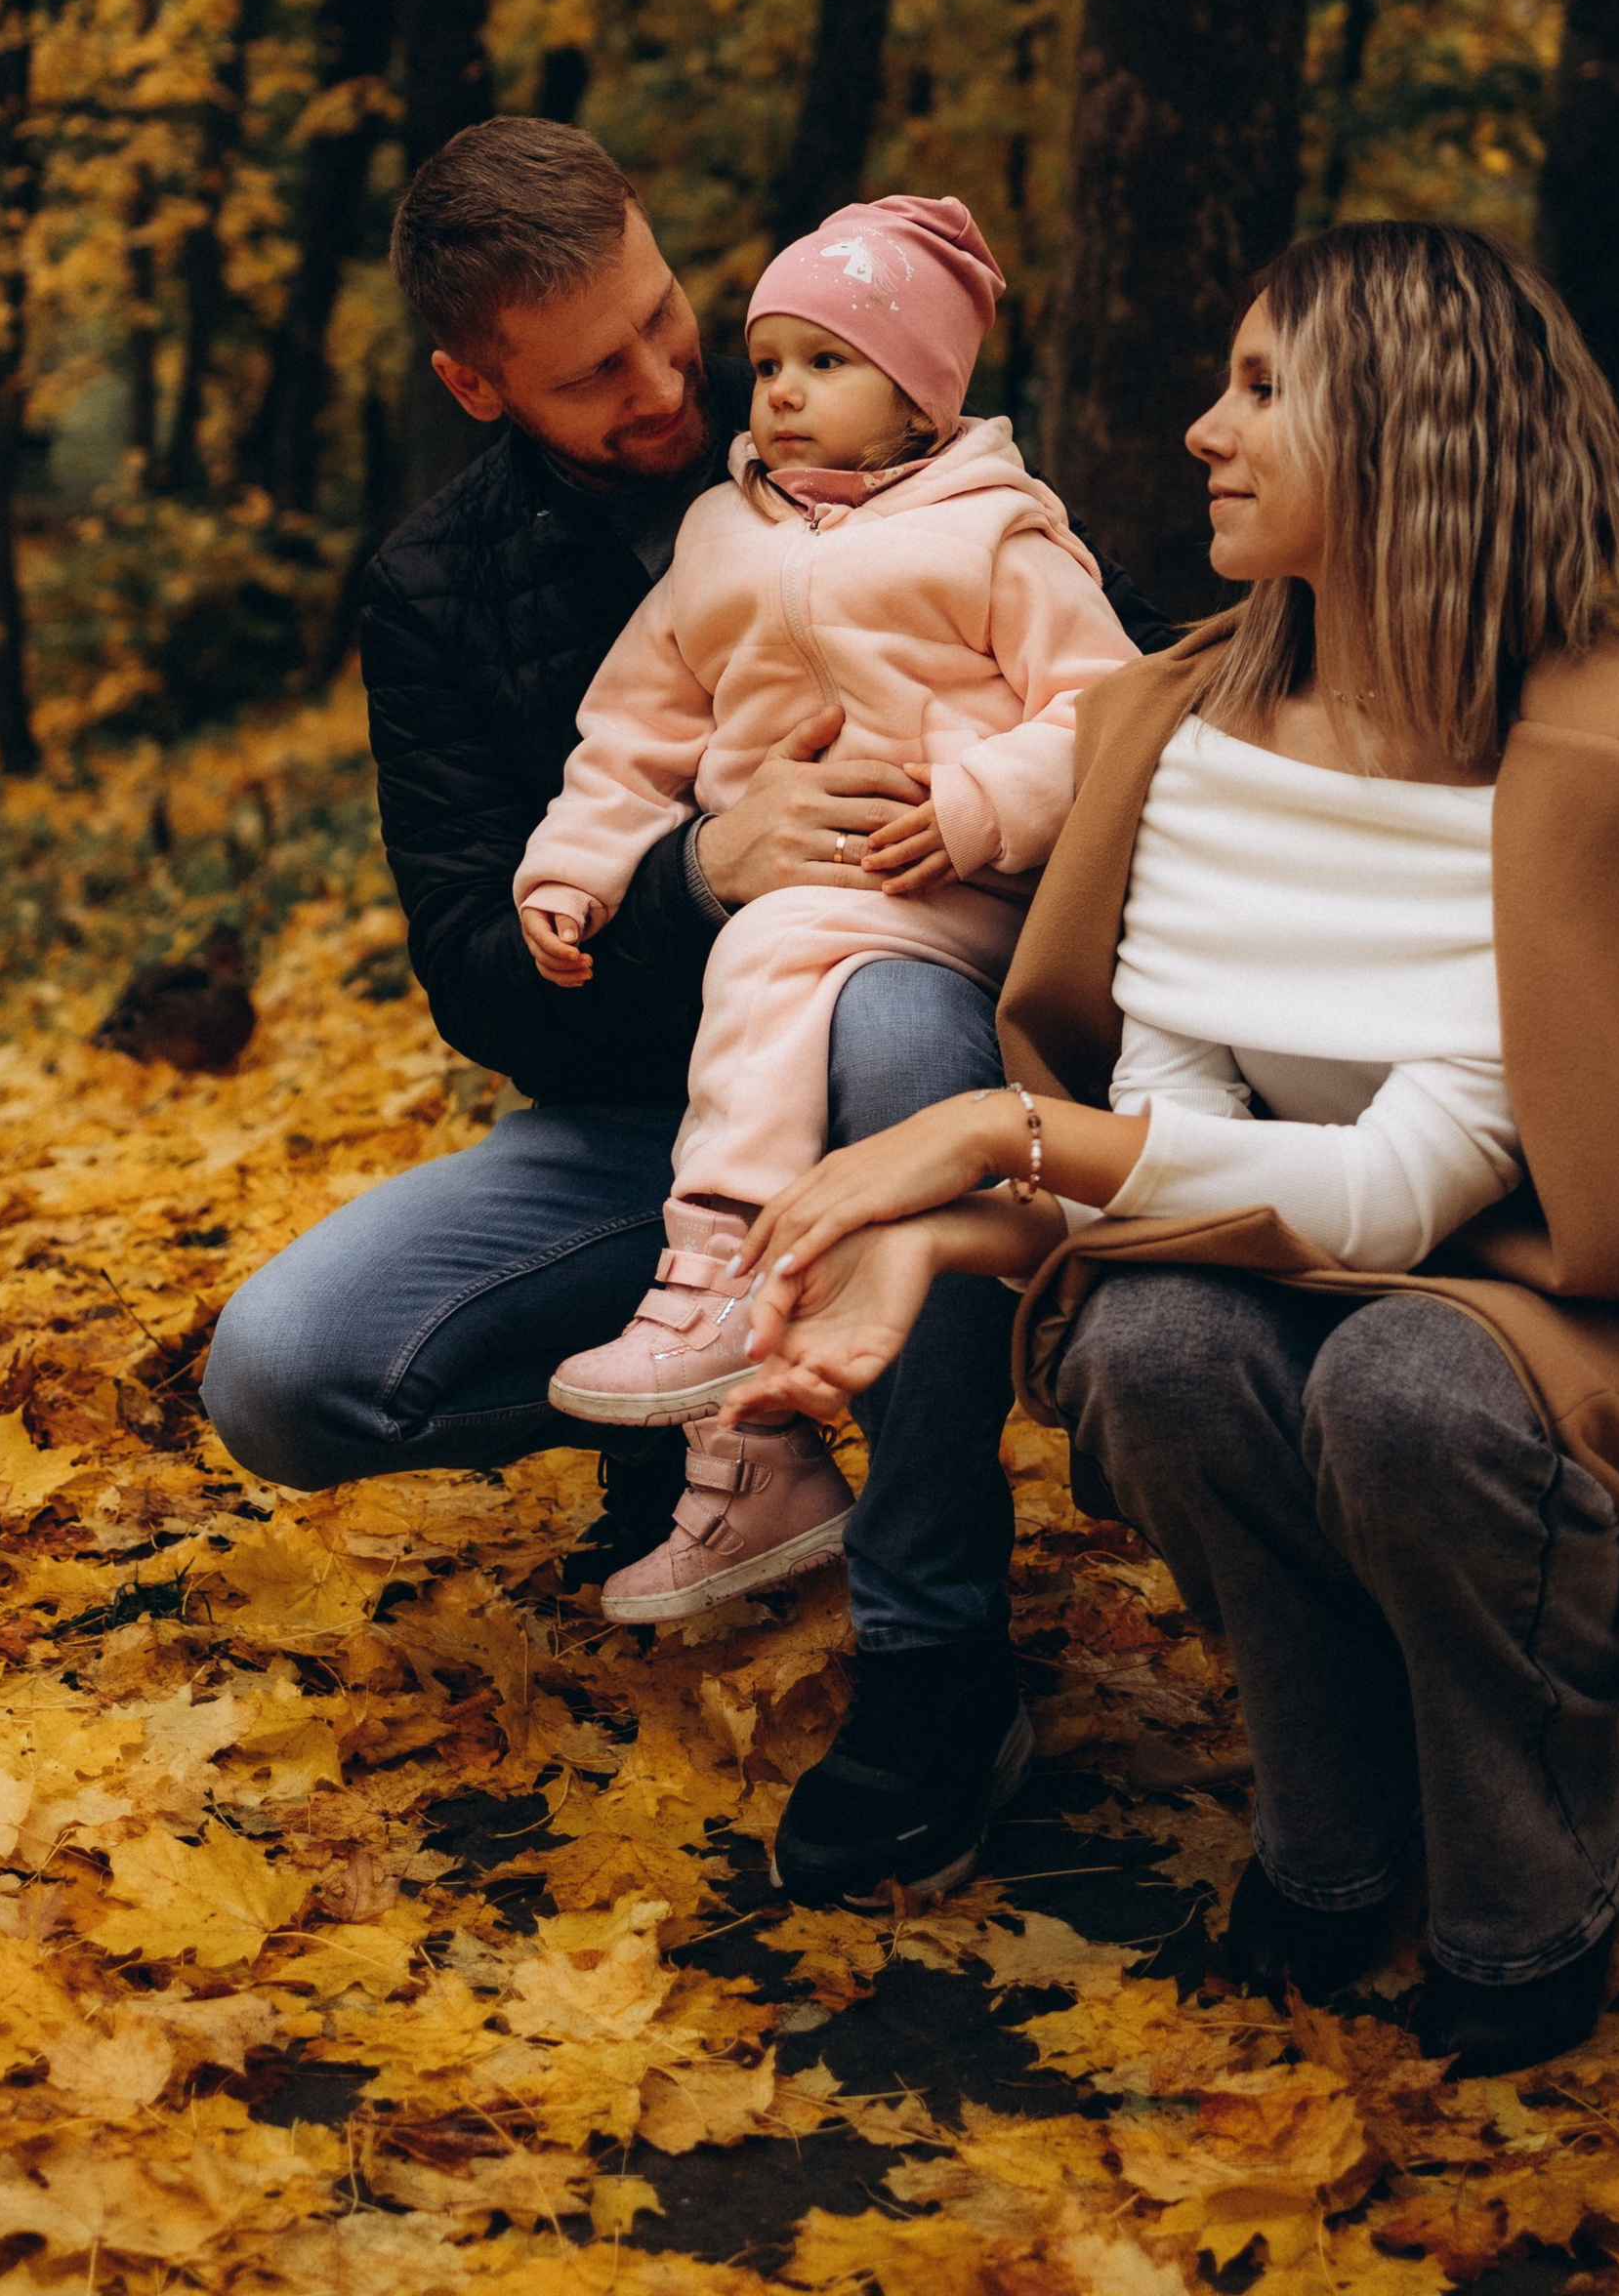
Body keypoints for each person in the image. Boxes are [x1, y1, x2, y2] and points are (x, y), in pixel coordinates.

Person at [724, 220, 1619, 2073]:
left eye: (1266, 389)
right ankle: (1334, 1817)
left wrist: (995, 1135)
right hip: (1291, 1298)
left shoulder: (1611, 771)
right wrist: (963, 1237)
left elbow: (1401, 1194)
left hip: (1570, 1356)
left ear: (1416, 433)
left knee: (1409, 1381)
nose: (1205, 427)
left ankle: (1542, 1852)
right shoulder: (1182, 730)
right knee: (1156, 1346)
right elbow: (1182, 1126)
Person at [200, 116, 1169, 1906]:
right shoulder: (436, 592)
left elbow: (1105, 728)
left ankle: (937, 1659)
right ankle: (710, 1423)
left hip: (918, 1056)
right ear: (477, 388)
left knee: (888, 1038)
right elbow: (481, 976)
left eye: (670, 323)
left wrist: (957, 819)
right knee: (279, 1374)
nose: (673, 386)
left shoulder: (905, 454)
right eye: (595, 376)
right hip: (640, 1116)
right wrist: (691, 876)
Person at [515, 192, 1138, 1623]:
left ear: (921, 394)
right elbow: (632, 735)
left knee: (777, 951)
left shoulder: (996, 535)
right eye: (770, 357)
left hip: (966, 891)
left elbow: (1107, 709)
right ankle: (751, 1458)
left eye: (826, 362)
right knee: (777, 972)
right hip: (804, 906)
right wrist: (575, 870)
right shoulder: (720, 540)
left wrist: (980, 804)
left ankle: (721, 1258)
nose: (778, 391)